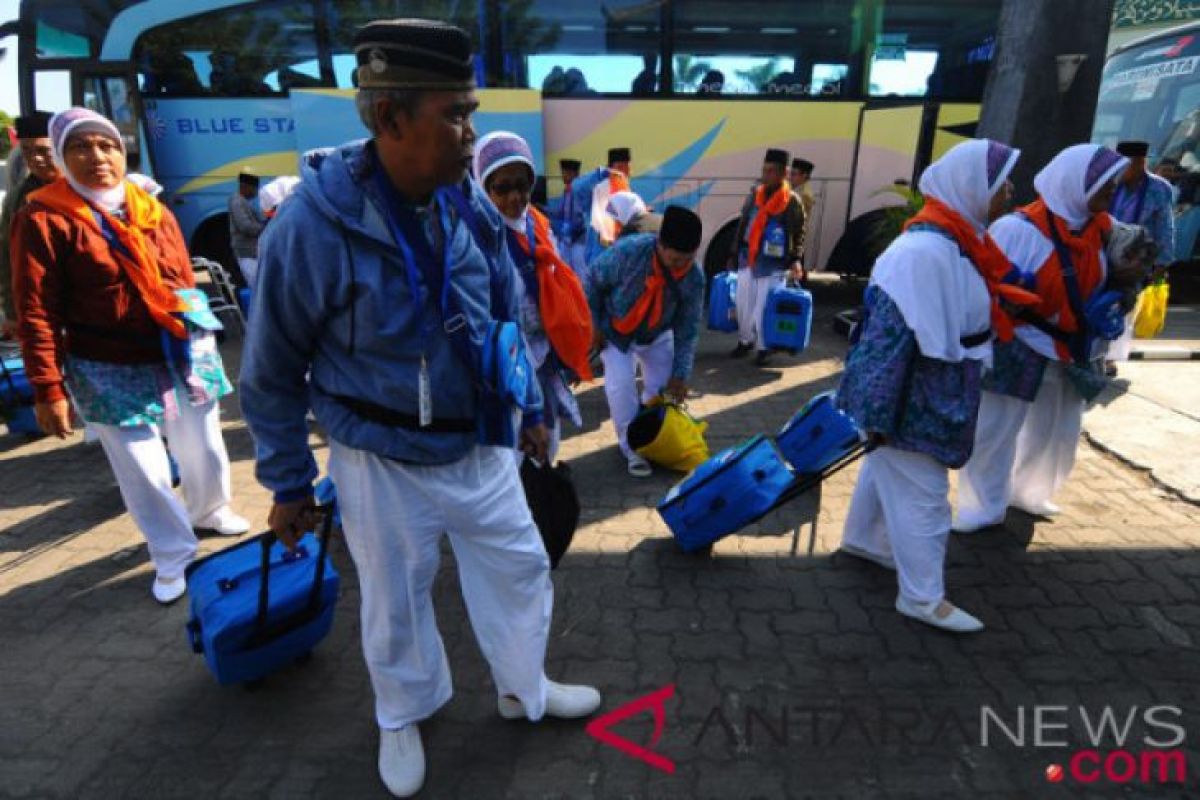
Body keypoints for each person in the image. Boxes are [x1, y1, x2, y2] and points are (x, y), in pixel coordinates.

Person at [237, 20, 601, 799]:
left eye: (470, 113)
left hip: (481, 444)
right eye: (454, 115)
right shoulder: (310, 227)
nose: (471, 135)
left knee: (520, 566)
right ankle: (403, 711)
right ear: (391, 119)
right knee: (397, 598)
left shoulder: (465, 198)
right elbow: (269, 369)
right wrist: (290, 483)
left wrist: (530, 406)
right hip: (379, 457)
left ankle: (523, 687)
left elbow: (503, 301)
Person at [11, 107, 248, 604]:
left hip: (180, 346)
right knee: (143, 467)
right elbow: (35, 310)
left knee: (204, 446)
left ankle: (209, 512)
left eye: (107, 145)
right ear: (60, 155)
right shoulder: (43, 217)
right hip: (106, 361)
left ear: (122, 152)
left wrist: (196, 329)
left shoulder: (149, 206)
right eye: (80, 147)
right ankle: (171, 553)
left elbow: (182, 276)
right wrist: (47, 388)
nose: (96, 157)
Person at [836, 139, 1029, 633]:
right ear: (971, 187)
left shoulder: (957, 243)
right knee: (925, 497)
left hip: (924, 391)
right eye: (1001, 181)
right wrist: (877, 417)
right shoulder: (924, 253)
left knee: (885, 473)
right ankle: (922, 598)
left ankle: (863, 540)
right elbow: (885, 344)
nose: (1010, 191)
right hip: (911, 402)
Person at [955, 144, 1141, 530]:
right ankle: (981, 507)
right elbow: (989, 289)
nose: (1112, 195)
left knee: (1057, 428)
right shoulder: (1016, 229)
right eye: (1104, 187)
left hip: (1070, 348)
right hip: (1018, 345)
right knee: (996, 430)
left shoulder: (1104, 231)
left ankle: (1031, 493)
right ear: (1076, 184)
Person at [474, 130, 593, 463]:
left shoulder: (537, 224)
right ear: (481, 186)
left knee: (547, 446)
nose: (515, 197)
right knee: (510, 456)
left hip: (542, 357)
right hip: (503, 364)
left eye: (522, 186)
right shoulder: (475, 237)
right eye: (502, 188)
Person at [587, 205, 704, 478]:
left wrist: (681, 375)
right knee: (621, 391)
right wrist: (593, 325)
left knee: (660, 392)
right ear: (660, 246)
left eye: (686, 260)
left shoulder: (694, 278)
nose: (680, 267)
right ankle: (631, 449)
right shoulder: (629, 253)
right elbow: (592, 281)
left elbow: (687, 331)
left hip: (657, 335)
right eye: (674, 260)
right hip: (615, 333)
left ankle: (652, 440)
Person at [727, 148, 806, 366]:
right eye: (764, 170)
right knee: (742, 304)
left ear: (783, 174)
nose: (766, 175)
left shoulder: (791, 201)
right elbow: (742, 224)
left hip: (773, 263)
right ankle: (746, 341)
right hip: (747, 257)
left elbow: (799, 233)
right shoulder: (755, 194)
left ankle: (764, 347)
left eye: (771, 171)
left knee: (764, 307)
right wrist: (733, 252)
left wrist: (796, 259)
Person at [1105, 140, 1176, 372]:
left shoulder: (1159, 188)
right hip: (1104, 249)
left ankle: (1110, 357)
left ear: (1140, 163)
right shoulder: (1110, 182)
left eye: (1126, 165)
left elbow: (1165, 226)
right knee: (1098, 301)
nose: (1121, 170)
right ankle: (1094, 352)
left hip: (1137, 257)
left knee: (1124, 305)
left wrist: (1162, 263)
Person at [0, 112, 60, 337]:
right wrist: (12, 313)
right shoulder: (18, 198)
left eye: (44, 150)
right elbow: (7, 255)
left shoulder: (87, 190)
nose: (35, 159)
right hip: (39, 309)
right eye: (27, 151)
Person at [572, 146, 632, 273]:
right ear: (611, 168)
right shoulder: (598, 192)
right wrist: (600, 173)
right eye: (620, 167)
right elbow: (576, 188)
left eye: (627, 168)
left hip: (620, 264)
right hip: (598, 262)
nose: (624, 173)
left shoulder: (629, 195)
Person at [228, 168, 265, 288]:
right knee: (256, 286)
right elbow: (245, 227)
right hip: (246, 252)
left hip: (250, 252)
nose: (256, 192)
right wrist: (265, 228)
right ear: (245, 187)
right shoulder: (237, 202)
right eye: (254, 188)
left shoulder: (242, 201)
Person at [549, 158, 586, 273]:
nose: (563, 176)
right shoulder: (567, 191)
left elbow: (581, 217)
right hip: (567, 239)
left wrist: (570, 229)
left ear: (574, 174)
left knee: (580, 271)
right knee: (564, 270)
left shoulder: (580, 191)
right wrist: (542, 209)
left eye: (565, 173)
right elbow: (559, 213)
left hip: (579, 240)